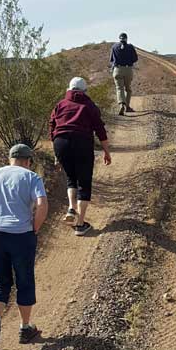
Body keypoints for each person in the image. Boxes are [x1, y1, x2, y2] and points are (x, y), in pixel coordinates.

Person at [0, 144, 48, 345]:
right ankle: (25, 328)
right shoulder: (32, 177)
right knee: (24, 279)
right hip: (21, 235)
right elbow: (42, 204)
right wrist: (35, 228)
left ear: (10, 158)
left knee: (1, 280)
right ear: (28, 161)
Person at [50, 77, 111, 236]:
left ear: (69, 90)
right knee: (84, 182)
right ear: (84, 91)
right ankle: (80, 224)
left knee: (71, 178)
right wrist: (106, 151)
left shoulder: (60, 105)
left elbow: (53, 127)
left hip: (60, 143)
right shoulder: (89, 106)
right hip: (82, 143)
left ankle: (71, 208)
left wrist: (56, 152)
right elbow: (100, 130)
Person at [109, 32, 138, 115]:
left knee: (119, 88)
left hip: (117, 70)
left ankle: (121, 104)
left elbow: (111, 59)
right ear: (126, 38)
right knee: (128, 89)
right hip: (128, 69)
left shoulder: (114, 46)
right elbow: (135, 59)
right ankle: (127, 107)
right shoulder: (130, 47)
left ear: (119, 38)